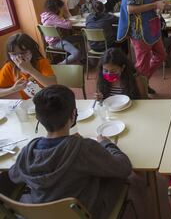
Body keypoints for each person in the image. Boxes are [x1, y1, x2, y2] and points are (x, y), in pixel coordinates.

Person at [8, 85, 132, 218]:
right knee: (115, 177)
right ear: (73, 114)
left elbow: (14, 175)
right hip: (82, 213)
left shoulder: (29, 150)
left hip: (41, 214)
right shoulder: (83, 148)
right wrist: (106, 143)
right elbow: (124, 167)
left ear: (38, 118)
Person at [117, 0, 169, 94]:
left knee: (161, 55)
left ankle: (144, 81)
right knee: (142, 64)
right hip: (139, 31)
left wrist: (157, 2)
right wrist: (155, 5)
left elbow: (141, 2)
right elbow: (131, 8)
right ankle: (139, 90)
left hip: (150, 27)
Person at [0, 33, 56, 99]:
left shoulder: (42, 63)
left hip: (46, 100)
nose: (19, 57)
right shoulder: (9, 67)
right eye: (14, 54)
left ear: (32, 50)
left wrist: (30, 69)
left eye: (23, 53)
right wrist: (13, 89)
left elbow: (53, 85)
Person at [40, 0, 82, 64]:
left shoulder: (45, 15)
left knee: (81, 38)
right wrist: (66, 18)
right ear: (57, 8)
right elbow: (68, 26)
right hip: (57, 42)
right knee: (76, 53)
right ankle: (61, 65)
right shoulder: (53, 17)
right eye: (61, 7)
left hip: (52, 40)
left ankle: (82, 58)